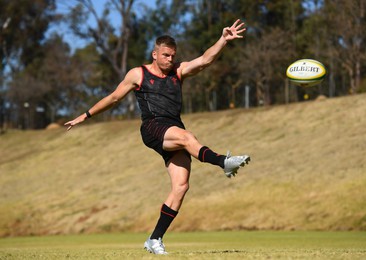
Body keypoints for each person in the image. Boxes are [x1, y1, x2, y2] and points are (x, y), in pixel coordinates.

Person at [64, 19, 250, 255]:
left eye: (173, 56)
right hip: (153, 128)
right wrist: (85, 115)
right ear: (155, 53)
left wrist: (223, 39)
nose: (170, 60)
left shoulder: (178, 72)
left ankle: (154, 239)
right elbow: (113, 98)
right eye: (166, 55)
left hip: (173, 129)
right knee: (187, 136)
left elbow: (205, 60)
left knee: (181, 186)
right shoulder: (138, 74)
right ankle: (224, 162)